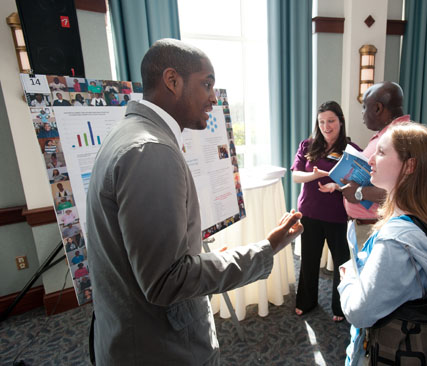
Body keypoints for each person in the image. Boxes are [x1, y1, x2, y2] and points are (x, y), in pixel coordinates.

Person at [86, 38, 303, 365]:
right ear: (172, 81)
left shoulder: (130, 135)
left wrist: (201, 256)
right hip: (161, 349)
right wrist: (266, 247)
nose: (214, 97)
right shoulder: (151, 151)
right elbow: (165, 281)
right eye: (207, 84)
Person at [338, 122, 427, 365]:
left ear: (409, 165)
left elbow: (359, 312)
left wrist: (347, 279)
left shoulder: (395, 242)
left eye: (381, 152)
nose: (370, 161)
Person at [291, 101, 360, 322]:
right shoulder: (308, 145)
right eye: (321, 122)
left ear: (340, 121)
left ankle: (341, 307)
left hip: (337, 214)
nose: (326, 126)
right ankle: (306, 301)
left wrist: (337, 186)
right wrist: (315, 175)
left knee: (341, 261)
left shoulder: (351, 150)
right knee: (309, 259)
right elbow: (295, 175)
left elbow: (361, 182)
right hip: (310, 211)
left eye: (331, 121)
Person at [341, 82, 410, 246]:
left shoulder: (398, 138)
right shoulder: (389, 134)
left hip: (376, 228)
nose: (363, 113)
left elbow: (403, 191)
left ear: (378, 108)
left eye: (364, 107)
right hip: (367, 225)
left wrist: (359, 192)